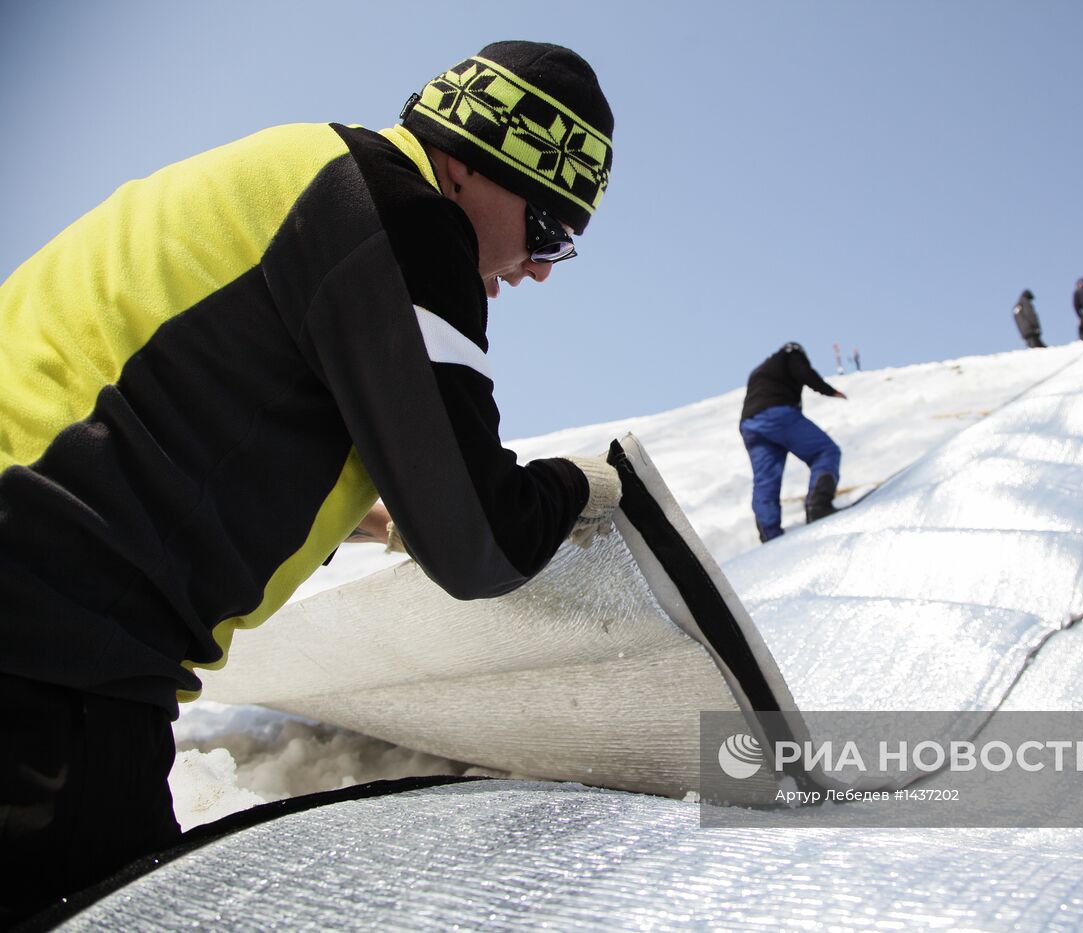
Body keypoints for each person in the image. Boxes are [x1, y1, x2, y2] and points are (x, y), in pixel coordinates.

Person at [0, 41, 620, 923]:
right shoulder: (404, 218)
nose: (541, 268)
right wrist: (583, 482)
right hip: (50, 646)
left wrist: (362, 522)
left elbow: (186, 410)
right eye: (550, 229)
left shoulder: (310, 177)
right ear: (471, 162)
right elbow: (481, 540)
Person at [739, 343, 848, 543]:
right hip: (777, 414)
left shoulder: (760, 370)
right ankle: (818, 507)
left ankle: (769, 535)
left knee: (765, 480)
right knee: (825, 451)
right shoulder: (792, 353)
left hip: (750, 425)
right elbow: (803, 372)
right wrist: (829, 391)